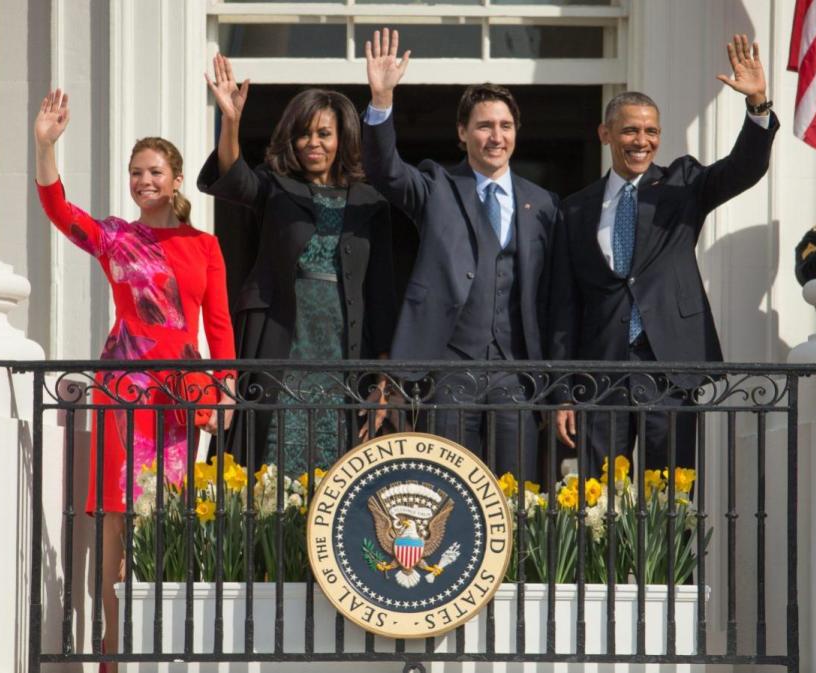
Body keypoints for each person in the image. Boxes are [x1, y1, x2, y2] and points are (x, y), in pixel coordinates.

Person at [34, 89, 236, 670]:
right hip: (125, 388)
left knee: (171, 509)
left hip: (182, 390)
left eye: (154, 171)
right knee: (119, 511)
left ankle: (164, 640)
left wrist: (224, 392)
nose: (142, 180)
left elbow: (219, 328)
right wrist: (45, 147)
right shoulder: (117, 237)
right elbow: (61, 212)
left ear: (175, 181)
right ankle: (114, 647)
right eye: (134, 173)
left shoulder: (205, 246)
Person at [549, 34, 779, 476]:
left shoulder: (683, 183)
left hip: (669, 365)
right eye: (631, 130)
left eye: (651, 131)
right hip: (601, 373)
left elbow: (745, 168)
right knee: (600, 499)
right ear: (605, 134)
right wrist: (564, 387)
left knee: (670, 497)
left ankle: (669, 553)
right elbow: (565, 304)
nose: (642, 141)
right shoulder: (574, 209)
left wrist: (757, 106)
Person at [362, 28, 560, 481]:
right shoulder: (436, 187)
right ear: (462, 132)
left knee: (517, 496)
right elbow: (386, 171)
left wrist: (556, 384)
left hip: (517, 375)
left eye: (505, 126)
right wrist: (381, 99)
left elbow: (555, 296)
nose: (496, 136)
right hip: (449, 370)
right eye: (485, 126)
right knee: (448, 492)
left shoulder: (543, 204)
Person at [198, 54, 398, 475]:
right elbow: (234, 177)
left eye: (324, 134)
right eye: (304, 134)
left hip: (344, 342)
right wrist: (230, 121)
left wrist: (383, 380)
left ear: (342, 138)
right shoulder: (275, 187)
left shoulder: (371, 202)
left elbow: (381, 293)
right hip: (281, 334)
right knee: (271, 446)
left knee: (338, 459)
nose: (313, 143)